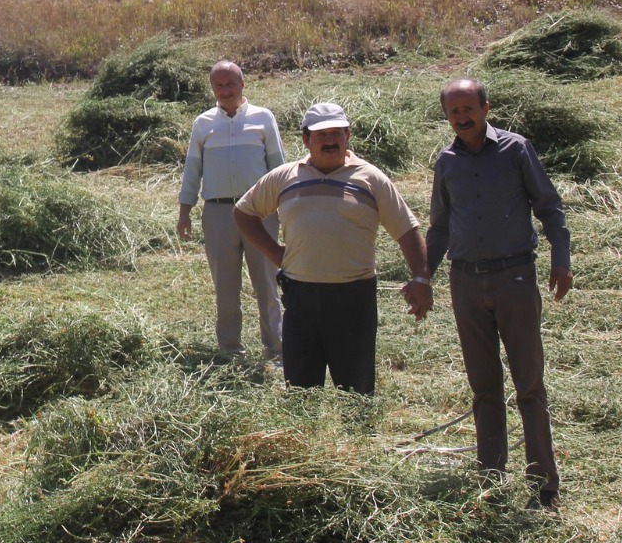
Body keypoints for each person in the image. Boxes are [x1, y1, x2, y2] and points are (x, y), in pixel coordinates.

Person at [425, 78, 569, 507]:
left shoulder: (515, 149)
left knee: (529, 383)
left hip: (515, 278)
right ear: (446, 116)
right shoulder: (446, 162)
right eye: (454, 111)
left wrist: (561, 259)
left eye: (469, 108)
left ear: (486, 108)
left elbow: (549, 206)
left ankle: (543, 481)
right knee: (484, 385)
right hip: (465, 282)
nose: (462, 117)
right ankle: (491, 477)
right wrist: (422, 278)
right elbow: (438, 228)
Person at [234, 102, 431, 392]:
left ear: (348, 135)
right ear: (305, 139)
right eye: (321, 134)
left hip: (353, 297)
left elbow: (407, 229)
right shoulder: (285, 177)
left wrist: (421, 278)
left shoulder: (371, 178)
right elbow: (243, 212)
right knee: (301, 390)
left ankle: (358, 436)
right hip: (300, 296)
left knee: (356, 390)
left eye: (336, 133)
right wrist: (276, 252)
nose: (329, 141)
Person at [177, 60, 285, 361]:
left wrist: (286, 209)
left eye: (230, 84)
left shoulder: (264, 119)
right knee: (225, 285)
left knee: (266, 282)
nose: (225, 90)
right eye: (219, 85)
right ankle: (230, 349)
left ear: (243, 84)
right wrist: (185, 210)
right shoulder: (203, 124)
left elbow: (279, 167)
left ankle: (277, 349)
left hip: (260, 213)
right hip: (218, 213)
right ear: (213, 88)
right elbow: (192, 170)